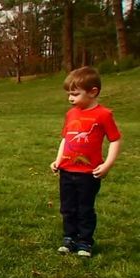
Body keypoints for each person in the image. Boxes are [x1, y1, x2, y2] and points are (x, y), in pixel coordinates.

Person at [50, 66, 122, 257]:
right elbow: (65, 139)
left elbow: (115, 139)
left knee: (85, 208)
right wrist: (57, 160)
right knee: (67, 207)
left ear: (93, 92)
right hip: (67, 170)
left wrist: (107, 164)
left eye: (74, 94)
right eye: (68, 94)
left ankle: (85, 242)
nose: (70, 98)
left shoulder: (103, 115)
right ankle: (69, 238)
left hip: (88, 173)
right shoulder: (71, 114)